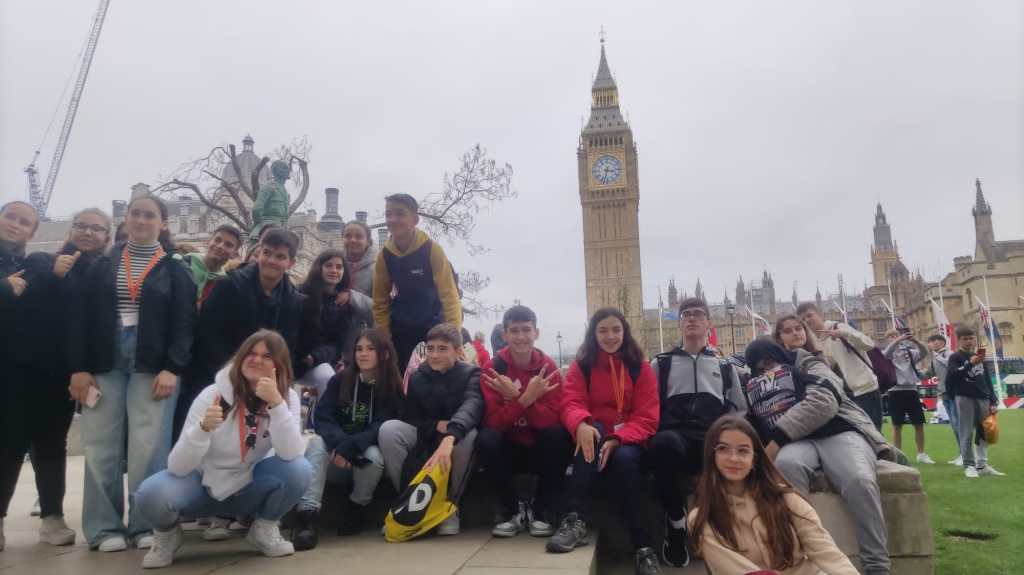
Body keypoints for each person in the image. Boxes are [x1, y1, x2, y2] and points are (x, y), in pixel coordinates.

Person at [67, 195, 197, 552]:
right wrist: (79, 367)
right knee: (100, 446)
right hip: (104, 359)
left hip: (152, 363)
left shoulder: (176, 267)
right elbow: (80, 319)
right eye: (135, 213)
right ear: (126, 218)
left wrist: (173, 367)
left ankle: (145, 524)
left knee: (149, 447)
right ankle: (103, 528)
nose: (141, 220)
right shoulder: (101, 264)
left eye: (149, 215)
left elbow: (185, 323)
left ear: (163, 223)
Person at [135, 330, 311, 568]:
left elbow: (291, 454)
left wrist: (277, 405)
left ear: (279, 365)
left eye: (267, 356)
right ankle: (167, 535)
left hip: (249, 487)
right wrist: (202, 429)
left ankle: (264, 529)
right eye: (251, 353)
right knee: (150, 494)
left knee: (300, 469)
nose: (256, 360)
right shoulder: (212, 394)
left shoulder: (287, 397)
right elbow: (176, 467)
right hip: (201, 489)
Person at [1, 206, 113, 550]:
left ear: (107, 236)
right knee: (10, 443)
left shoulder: (106, 271)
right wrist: (53, 274)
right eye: (81, 225)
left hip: (62, 372)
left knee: (52, 444)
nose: (87, 232)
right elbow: (20, 299)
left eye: (96, 228)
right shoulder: (41, 261)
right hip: (18, 369)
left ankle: (53, 517)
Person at [743, 338, 897, 575]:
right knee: (786, 466)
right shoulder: (752, 384)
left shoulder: (810, 364)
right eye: (759, 366)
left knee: (859, 480)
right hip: (797, 443)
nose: (766, 368)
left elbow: (824, 401)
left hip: (840, 430)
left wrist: (776, 440)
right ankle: (804, 561)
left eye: (769, 360)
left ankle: (877, 565)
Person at [548, 308, 661, 575]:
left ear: (625, 332)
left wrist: (619, 438)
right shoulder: (582, 366)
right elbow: (571, 401)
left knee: (625, 462)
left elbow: (647, 415)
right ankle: (574, 519)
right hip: (593, 435)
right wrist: (580, 423)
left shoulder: (639, 367)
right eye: (603, 330)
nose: (610, 336)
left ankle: (643, 548)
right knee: (592, 433)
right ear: (594, 334)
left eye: (616, 330)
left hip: (628, 439)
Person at [689, 416, 859, 575]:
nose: (733, 458)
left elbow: (827, 553)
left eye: (743, 451)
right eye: (723, 449)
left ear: (754, 459)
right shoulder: (702, 518)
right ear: (711, 455)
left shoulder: (787, 499)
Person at [651, 297, 747, 568]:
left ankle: (721, 528)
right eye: (686, 315)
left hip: (711, 434)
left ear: (709, 323)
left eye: (697, 314)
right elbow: (649, 406)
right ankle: (676, 522)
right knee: (663, 444)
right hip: (676, 435)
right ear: (680, 323)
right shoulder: (662, 363)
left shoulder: (725, 366)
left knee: (729, 450)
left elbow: (739, 409)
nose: (691, 318)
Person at [291, 328, 404, 549]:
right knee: (316, 444)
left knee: (374, 457)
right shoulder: (340, 380)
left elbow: (380, 425)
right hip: (335, 456)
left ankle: (356, 508)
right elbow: (323, 417)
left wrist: (350, 447)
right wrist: (340, 445)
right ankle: (307, 517)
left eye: (370, 349)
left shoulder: (391, 386)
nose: (363, 354)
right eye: (359, 349)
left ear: (384, 353)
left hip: (362, 458)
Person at [378, 323, 483, 536]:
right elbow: (411, 418)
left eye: (442, 349)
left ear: (458, 351)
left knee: (470, 436)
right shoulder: (417, 378)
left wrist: (451, 434)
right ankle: (409, 502)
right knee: (389, 430)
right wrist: (435, 425)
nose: (434, 355)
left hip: (457, 436)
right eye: (430, 348)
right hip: (427, 435)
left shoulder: (472, 374)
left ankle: (450, 506)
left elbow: (472, 408)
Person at [477, 305, 572, 538]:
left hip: (539, 447)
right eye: (514, 331)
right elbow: (493, 422)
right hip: (508, 448)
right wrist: (526, 398)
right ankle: (511, 510)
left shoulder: (548, 368)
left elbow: (550, 419)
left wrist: (516, 398)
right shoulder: (493, 368)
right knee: (486, 439)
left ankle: (542, 509)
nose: (521, 337)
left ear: (536, 333)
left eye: (526, 330)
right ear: (505, 335)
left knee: (559, 435)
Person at [371, 193, 462, 372]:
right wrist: (383, 336)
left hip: (432, 328)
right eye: (388, 214)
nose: (393, 219)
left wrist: (454, 337)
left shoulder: (431, 249)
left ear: (415, 219)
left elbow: (450, 296)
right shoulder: (385, 255)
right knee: (399, 378)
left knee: (430, 376)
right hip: (400, 329)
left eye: (400, 214)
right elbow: (380, 300)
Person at [296, 248, 373, 398]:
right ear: (319, 267)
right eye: (329, 266)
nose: (334, 271)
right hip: (290, 359)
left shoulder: (343, 304)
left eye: (339, 267)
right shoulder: (300, 294)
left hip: (317, 361)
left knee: (328, 377)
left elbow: (337, 343)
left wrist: (315, 357)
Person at [797, 303, 884, 430]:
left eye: (810, 315)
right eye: (803, 319)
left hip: (864, 390)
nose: (807, 320)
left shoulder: (839, 327)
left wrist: (843, 334)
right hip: (842, 398)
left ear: (820, 314)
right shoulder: (812, 344)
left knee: (874, 435)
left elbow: (869, 344)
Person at [945, 327, 1004, 478]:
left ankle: (982, 465)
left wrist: (993, 400)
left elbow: (986, 379)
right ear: (959, 340)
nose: (969, 341)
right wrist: (969, 364)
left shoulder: (978, 356)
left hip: (983, 397)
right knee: (966, 433)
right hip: (964, 398)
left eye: (971, 338)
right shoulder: (955, 357)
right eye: (965, 339)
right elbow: (951, 375)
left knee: (985, 431)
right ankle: (969, 465)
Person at [882, 329, 934, 464]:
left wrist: (915, 341)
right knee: (897, 425)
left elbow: (924, 352)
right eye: (891, 336)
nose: (895, 337)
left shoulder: (910, 352)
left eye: (896, 335)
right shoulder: (887, 354)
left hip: (911, 390)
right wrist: (897, 340)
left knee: (919, 423)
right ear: (887, 340)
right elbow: (885, 354)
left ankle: (921, 454)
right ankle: (898, 455)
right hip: (895, 391)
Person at [180, 224, 242, 306]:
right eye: (217, 240)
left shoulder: (226, 283)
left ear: (234, 253)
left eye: (228, 245)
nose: (220, 246)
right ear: (209, 241)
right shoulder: (183, 264)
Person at [924, 334, 960, 465]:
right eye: (930, 341)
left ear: (942, 342)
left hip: (953, 392)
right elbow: (927, 374)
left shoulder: (950, 354)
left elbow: (950, 366)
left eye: (934, 341)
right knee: (954, 424)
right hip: (944, 393)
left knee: (958, 424)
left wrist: (936, 356)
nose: (932, 343)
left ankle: (965, 454)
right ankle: (963, 453)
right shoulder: (935, 358)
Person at [342, 220, 377, 295]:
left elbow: (381, 301)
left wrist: (351, 296)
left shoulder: (378, 269)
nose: (352, 240)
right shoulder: (335, 265)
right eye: (348, 236)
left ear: (368, 242)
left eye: (358, 236)